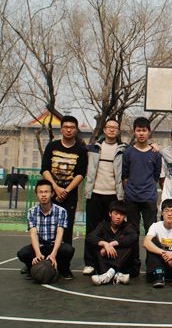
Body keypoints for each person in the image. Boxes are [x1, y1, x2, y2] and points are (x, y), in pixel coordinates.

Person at [82, 118, 127, 275]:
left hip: (114, 195)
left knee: (113, 231)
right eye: (109, 127)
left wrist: (153, 145)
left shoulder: (124, 150)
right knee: (92, 230)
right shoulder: (92, 148)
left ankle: (109, 262)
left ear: (118, 131)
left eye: (115, 127)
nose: (112, 129)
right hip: (95, 194)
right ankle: (90, 263)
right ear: (104, 130)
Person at [122, 117, 162, 275]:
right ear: (134, 132)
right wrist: (131, 189)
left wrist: (147, 188)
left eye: (144, 130)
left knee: (151, 232)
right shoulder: (128, 152)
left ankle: (152, 266)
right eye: (138, 130)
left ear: (149, 132)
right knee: (132, 233)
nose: (141, 133)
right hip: (131, 198)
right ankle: (134, 265)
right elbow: (125, 175)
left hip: (149, 198)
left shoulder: (155, 153)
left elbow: (156, 175)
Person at [40, 115, 88, 246]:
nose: (69, 130)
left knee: (66, 228)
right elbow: (44, 169)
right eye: (66, 127)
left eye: (72, 127)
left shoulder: (81, 150)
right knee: (48, 226)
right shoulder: (52, 146)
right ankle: (46, 255)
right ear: (61, 129)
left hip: (69, 196)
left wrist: (66, 191)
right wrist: (55, 188)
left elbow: (80, 174)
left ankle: (64, 257)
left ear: (76, 130)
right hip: (51, 194)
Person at [17, 179, 75, 280]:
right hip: (40, 246)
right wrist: (38, 254)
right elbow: (33, 234)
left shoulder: (61, 211)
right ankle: (32, 268)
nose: (43, 195)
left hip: (54, 245)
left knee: (68, 250)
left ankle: (64, 269)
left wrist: (53, 254)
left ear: (52, 194)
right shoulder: (31, 212)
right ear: (37, 194)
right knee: (22, 253)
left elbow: (60, 233)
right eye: (40, 192)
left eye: (46, 192)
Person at [86, 200, 137, 285]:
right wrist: (104, 244)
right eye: (115, 214)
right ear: (110, 214)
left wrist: (112, 244)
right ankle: (117, 276)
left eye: (121, 214)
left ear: (124, 216)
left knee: (129, 247)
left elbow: (133, 236)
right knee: (95, 245)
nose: (118, 217)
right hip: (105, 260)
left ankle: (109, 274)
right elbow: (90, 237)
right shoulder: (103, 225)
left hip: (122, 263)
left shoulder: (127, 226)